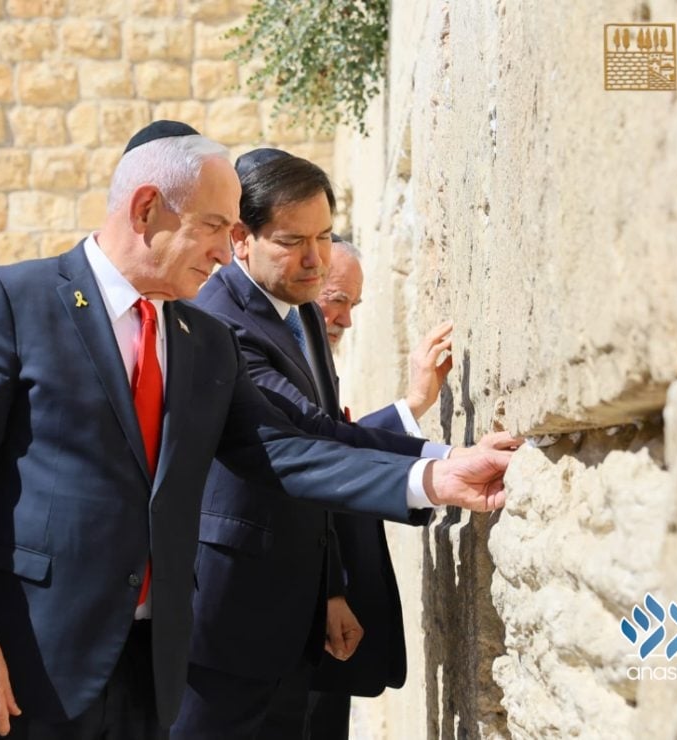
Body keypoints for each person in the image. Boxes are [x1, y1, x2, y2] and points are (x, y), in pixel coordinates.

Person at [0, 121, 514, 739]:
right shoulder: (13, 300)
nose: (225, 251)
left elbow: (284, 449)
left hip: (146, 675)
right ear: (146, 209)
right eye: (214, 226)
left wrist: (433, 476)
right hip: (15, 665)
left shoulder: (203, 339)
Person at [173, 153, 516, 739]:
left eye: (325, 237)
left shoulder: (300, 308)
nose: (316, 259)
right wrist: (439, 468)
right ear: (241, 239)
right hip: (230, 618)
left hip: (297, 618)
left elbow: (327, 432)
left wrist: (331, 588)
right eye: (292, 241)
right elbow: (308, 438)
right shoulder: (219, 324)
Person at [309, 236, 459, 738]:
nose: (346, 320)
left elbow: (336, 444)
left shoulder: (310, 362)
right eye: (336, 300)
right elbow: (312, 468)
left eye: (354, 305)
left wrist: (412, 405)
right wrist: (329, 592)